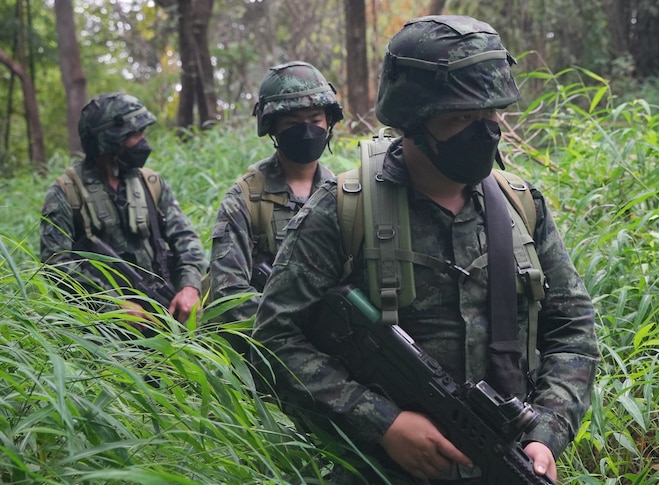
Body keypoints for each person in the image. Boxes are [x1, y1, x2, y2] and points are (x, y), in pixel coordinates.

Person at [253, 15, 599, 484]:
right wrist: (383, 422)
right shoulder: (339, 211)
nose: (485, 132)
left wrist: (545, 433)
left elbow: (572, 327)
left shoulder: (522, 206)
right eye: (461, 118)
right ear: (413, 119)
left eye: (492, 115)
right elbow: (274, 340)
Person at [207, 61, 343, 353]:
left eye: (315, 119)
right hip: (264, 349)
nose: (307, 130)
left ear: (329, 122)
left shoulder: (343, 194)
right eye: (293, 123)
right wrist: (288, 333)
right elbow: (228, 292)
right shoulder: (245, 197)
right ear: (274, 127)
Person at [40, 92, 206, 328]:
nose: (143, 142)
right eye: (135, 135)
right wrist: (112, 306)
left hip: (162, 304)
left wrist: (190, 286)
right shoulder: (65, 193)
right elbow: (55, 266)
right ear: (108, 140)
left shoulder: (150, 183)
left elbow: (186, 239)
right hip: (99, 328)